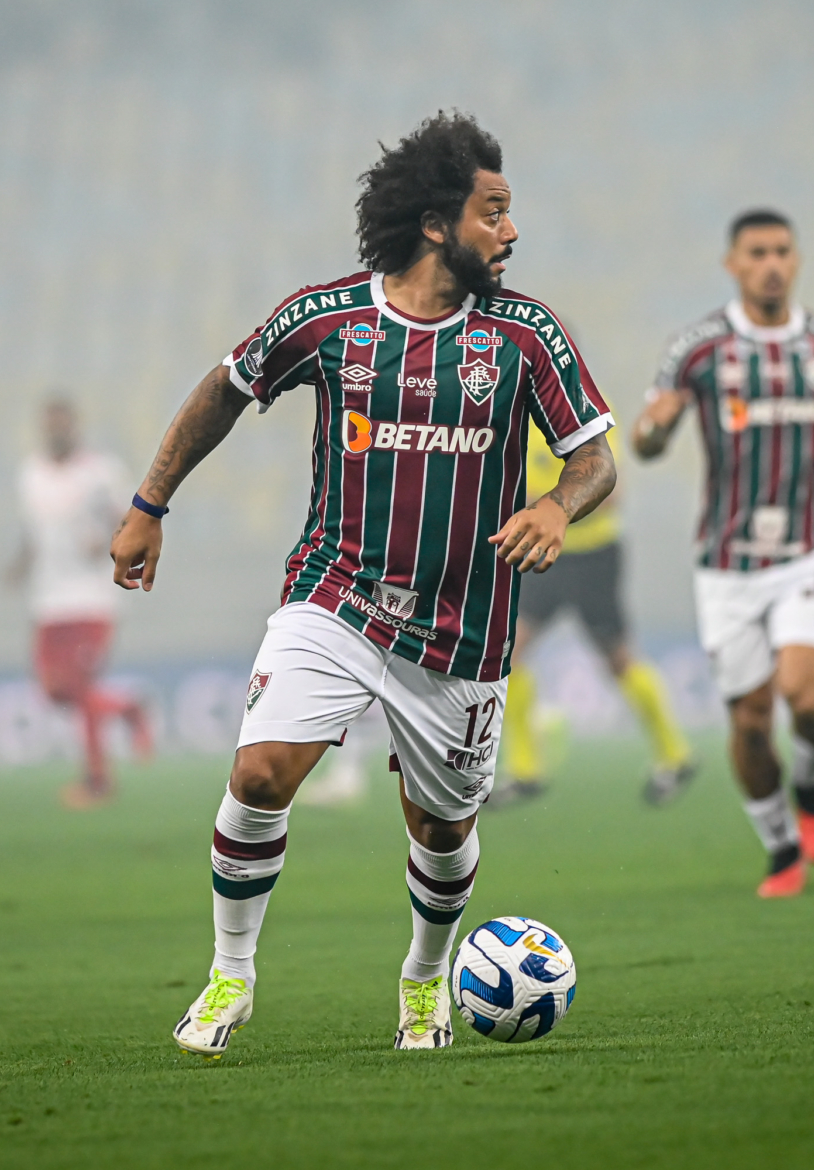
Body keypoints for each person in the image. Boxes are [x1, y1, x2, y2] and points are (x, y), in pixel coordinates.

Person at [110, 112, 615, 1056]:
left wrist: (556, 503)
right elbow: (225, 385)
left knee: (440, 826)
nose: (511, 232)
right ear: (436, 223)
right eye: (494, 212)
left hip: (465, 632)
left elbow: (594, 456)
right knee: (260, 772)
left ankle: (425, 980)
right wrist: (150, 502)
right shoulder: (330, 318)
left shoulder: (523, 334)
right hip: (336, 595)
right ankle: (230, 976)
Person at [633, 209, 814, 899]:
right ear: (732, 264)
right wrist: (654, 431)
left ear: (796, 260)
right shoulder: (698, 349)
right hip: (727, 563)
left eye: (781, 251)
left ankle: (810, 776)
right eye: (756, 252)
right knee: (747, 718)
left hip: (811, 550)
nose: (771, 263)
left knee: (803, 696)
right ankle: (779, 846)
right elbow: (647, 439)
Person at [488, 417, 697, 808]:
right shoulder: (517, 419)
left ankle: (675, 754)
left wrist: (541, 502)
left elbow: (610, 491)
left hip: (591, 557)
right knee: (509, 653)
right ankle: (527, 769)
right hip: (542, 553)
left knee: (618, 659)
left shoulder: (586, 417)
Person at [6, 397, 150, 807]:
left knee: (79, 687)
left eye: (62, 422)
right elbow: (34, 532)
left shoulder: (101, 472)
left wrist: (108, 544)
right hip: (48, 602)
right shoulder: (30, 474)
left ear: (75, 425)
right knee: (54, 691)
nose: (56, 429)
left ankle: (97, 780)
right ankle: (126, 707)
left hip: (91, 600)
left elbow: (130, 523)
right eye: (50, 422)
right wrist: (20, 565)